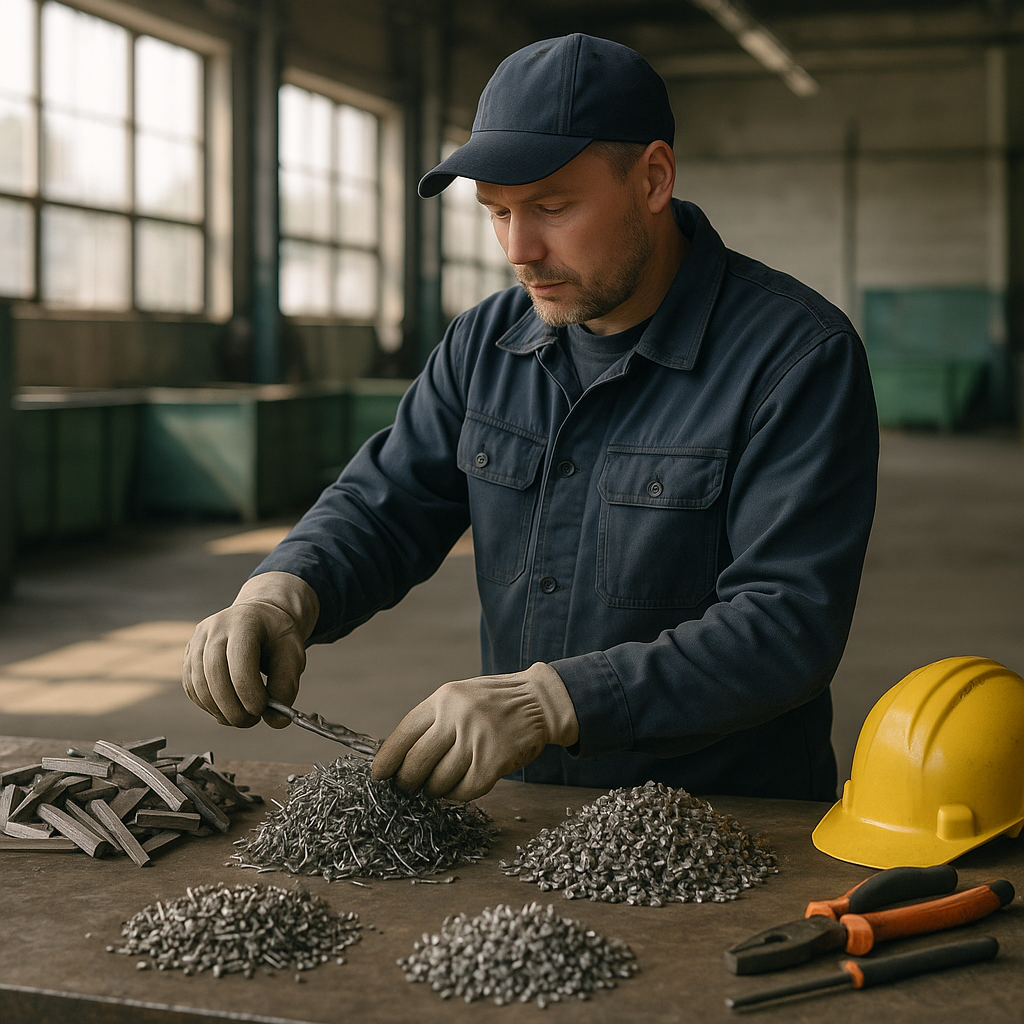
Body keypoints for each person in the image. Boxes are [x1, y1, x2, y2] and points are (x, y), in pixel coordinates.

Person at [183, 33, 878, 805]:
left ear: (653, 178)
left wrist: (555, 701)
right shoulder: (487, 343)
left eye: (552, 207)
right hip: (535, 810)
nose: (520, 249)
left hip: (733, 817)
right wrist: (284, 592)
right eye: (497, 212)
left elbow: (786, 626)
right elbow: (387, 504)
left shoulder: (795, 358)